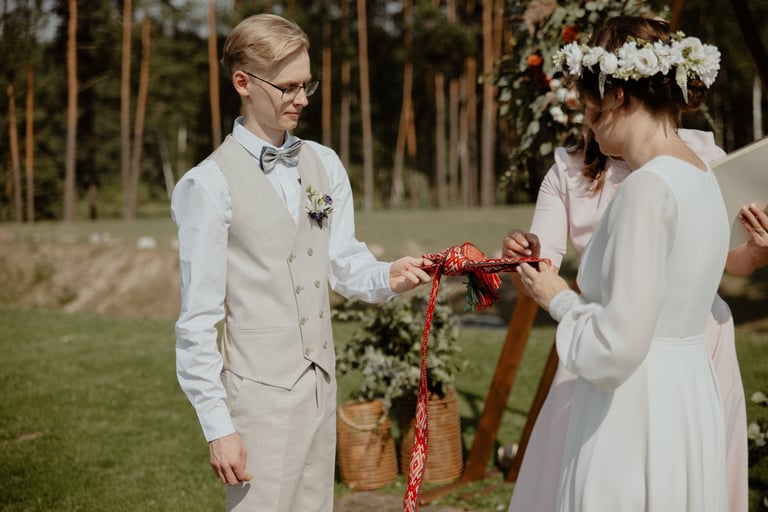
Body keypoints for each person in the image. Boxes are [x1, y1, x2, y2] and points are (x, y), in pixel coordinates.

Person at [170, 14, 432, 512]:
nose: (302, 99)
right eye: (287, 87)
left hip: (321, 388)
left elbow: (341, 261)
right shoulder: (208, 185)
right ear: (243, 83)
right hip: (258, 399)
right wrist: (218, 427)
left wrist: (387, 276)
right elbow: (197, 321)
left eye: (306, 84)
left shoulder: (324, 163)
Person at [512, 16, 730, 510]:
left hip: (633, 410)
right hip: (688, 399)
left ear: (615, 97)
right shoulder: (701, 176)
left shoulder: (645, 190)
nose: (587, 123)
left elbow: (617, 345)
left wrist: (559, 300)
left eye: (589, 108)